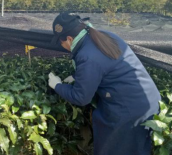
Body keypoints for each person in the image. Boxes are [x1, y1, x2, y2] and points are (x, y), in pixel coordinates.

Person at [47, 12, 160, 155]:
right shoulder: (102, 35)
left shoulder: (87, 55)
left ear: (69, 39)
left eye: (61, 42)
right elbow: (105, 66)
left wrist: (57, 85)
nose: (62, 46)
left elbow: (81, 97)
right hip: (145, 101)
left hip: (129, 111)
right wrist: (77, 76)